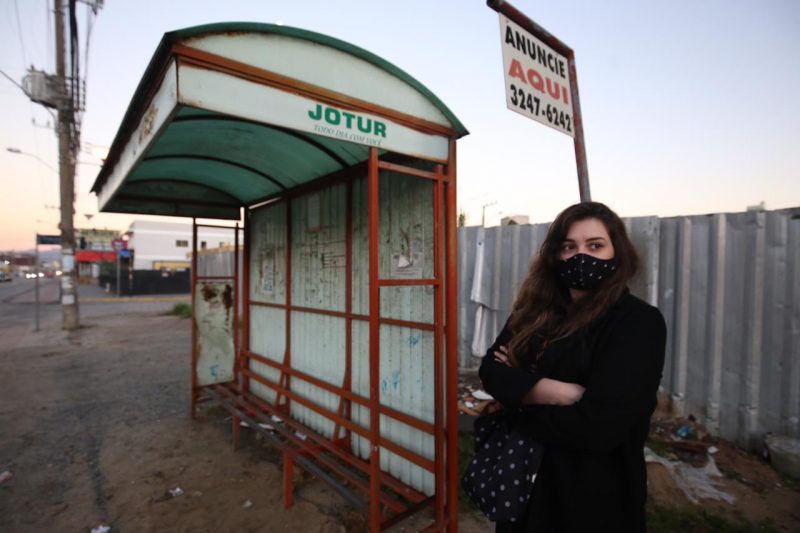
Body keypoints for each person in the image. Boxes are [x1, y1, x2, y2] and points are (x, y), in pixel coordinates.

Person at [479, 201, 666, 532]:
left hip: (590, 499)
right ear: (555, 255)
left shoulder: (637, 322)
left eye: (595, 245)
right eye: (569, 246)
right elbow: (491, 372)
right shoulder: (534, 311)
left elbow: (599, 426)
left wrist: (520, 396)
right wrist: (560, 392)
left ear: (617, 252)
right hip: (522, 488)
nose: (581, 256)